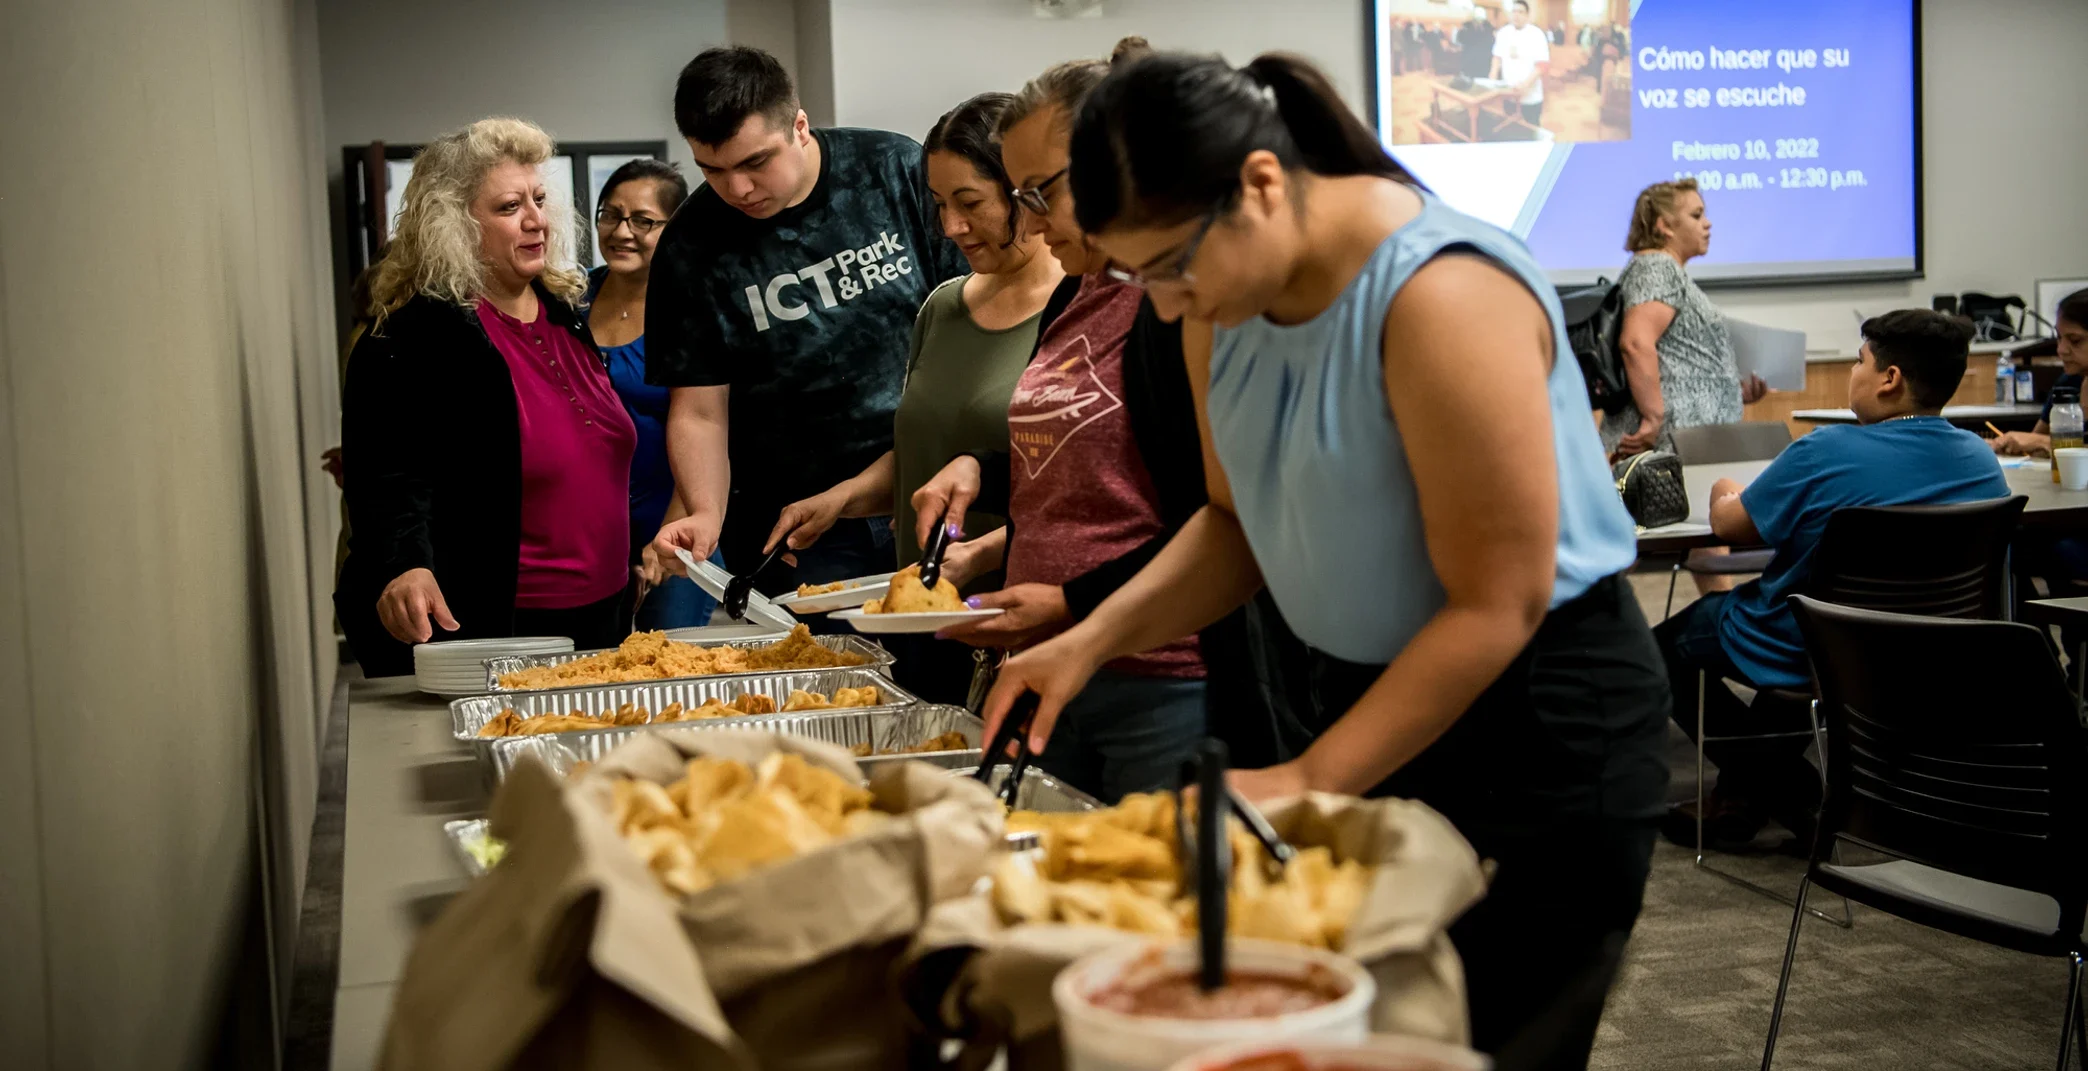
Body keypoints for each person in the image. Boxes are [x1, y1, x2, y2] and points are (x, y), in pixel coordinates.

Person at [986, 50, 1670, 1066]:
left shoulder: (1440, 293)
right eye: (1138, 275)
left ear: (1261, 184)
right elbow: (1232, 526)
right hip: (1362, 701)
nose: (1163, 304)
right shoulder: (1219, 306)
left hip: (1534, 720)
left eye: (1170, 266)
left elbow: (1498, 601)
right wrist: (1088, 643)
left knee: (1476, 1037)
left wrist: (1309, 776)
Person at [1656, 310, 2009, 848]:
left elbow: (1730, 526)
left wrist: (1726, 484)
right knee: (1801, 663)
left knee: (1659, 650)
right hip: (1927, 650)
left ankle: (1795, 791)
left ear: (1890, 379)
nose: (1853, 369)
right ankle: (1745, 797)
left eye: (1860, 359)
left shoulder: (1826, 450)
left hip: (1811, 640)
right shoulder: (1979, 459)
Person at [763, 91, 1067, 703]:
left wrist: (981, 556)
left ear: (1025, 193)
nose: (950, 226)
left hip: (1018, 617)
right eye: (938, 205)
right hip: (921, 619)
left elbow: (1078, 487)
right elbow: (927, 453)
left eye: (969, 203)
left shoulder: (1074, 309)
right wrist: (840, 500)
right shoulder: (944, 306)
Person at [645, 46, 966, 601]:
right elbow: (699, 411)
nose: (737, 189)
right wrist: (704, 510)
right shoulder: (690, 246)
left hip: (926, 477)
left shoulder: (892, 168)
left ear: (799, 126)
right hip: (798, 525)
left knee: (940, 673)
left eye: (754, 163)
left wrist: (929, 464)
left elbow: (966, 320)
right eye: (712, 170)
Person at [337, 118, 637, 676]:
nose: (535, 220)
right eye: (508, 207)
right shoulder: (411, 336)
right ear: (453, 224)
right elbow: (387, 480)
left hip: (605, 615)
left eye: (540, 199)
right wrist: (405, 565)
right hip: (499, 628)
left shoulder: (565, 314)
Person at [582, 158, 723, 631]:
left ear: (674, 227)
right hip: (591, 534)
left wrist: (668, 534)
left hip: (676, 526)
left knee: (667, 663)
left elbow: (708, 428)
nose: (622, 231)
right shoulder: (569, 301)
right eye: (611, 214)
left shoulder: (693, 309)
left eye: (642, 220)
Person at [1605, 176, 1766, 457]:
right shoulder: (1656, 267)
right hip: (1673, 439)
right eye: (1696, 215)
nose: (1708, 223)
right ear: (1664, 225)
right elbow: (1635, 343)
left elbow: (1679, 363)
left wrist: (1733, 391)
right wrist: (1653, 418)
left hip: (1691, 435)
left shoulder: (1666, 270)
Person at [1990, 288, 2088, 458]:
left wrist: (2043, 443)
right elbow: (2034, 441)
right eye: (2058, 338)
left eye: (2075, 341)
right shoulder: (2067, 384)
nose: (2061, 349)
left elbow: (2040, 441)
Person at [1490, 1, 1551, 125]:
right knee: (1510, 128)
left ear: (1527, 15)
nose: (1516, 15)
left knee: (1531, 131)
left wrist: (1524, 85)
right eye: (1514, 11)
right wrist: (1492, 80)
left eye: (1521, 12)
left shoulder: (1537, 34)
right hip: (1508, 93)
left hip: (1530, 97)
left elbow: (1542, 66)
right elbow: (1497, 58)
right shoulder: (1503, 33)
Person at [1455, 12, 1496, 80]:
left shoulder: (1489, 29)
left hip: (1484, 64)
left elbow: (1492, 43)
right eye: (1476, 20)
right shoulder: (1466, 29)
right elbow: (1460, 39)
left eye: (1480, 20)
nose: (1478, 22)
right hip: (1469, 63)